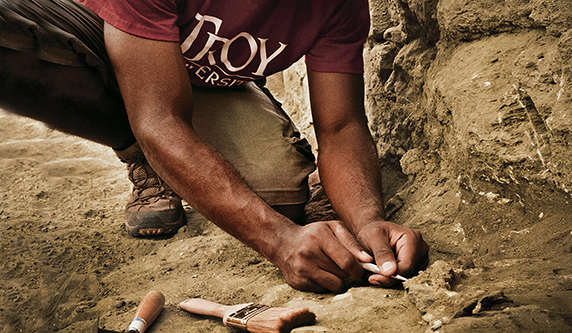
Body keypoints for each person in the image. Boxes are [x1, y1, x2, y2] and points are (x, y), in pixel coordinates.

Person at [0, 0, 428, 293]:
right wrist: (278, 241)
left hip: (200, 83)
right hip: (92, 37)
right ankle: (144, 156)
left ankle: (170, 158)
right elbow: (158, 118)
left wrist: (369, 220)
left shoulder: (338, 5)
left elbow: (342, 126)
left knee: (283, 197)